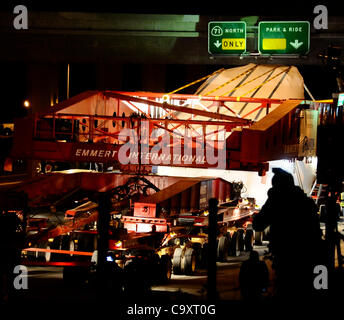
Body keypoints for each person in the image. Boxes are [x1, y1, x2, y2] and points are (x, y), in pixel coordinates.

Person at [252, 168, 322, 299]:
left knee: (285, 290)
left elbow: (258, 225)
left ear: (277, 186)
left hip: (285, 256)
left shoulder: (277, 201)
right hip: (309, 255)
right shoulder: (306, 201)